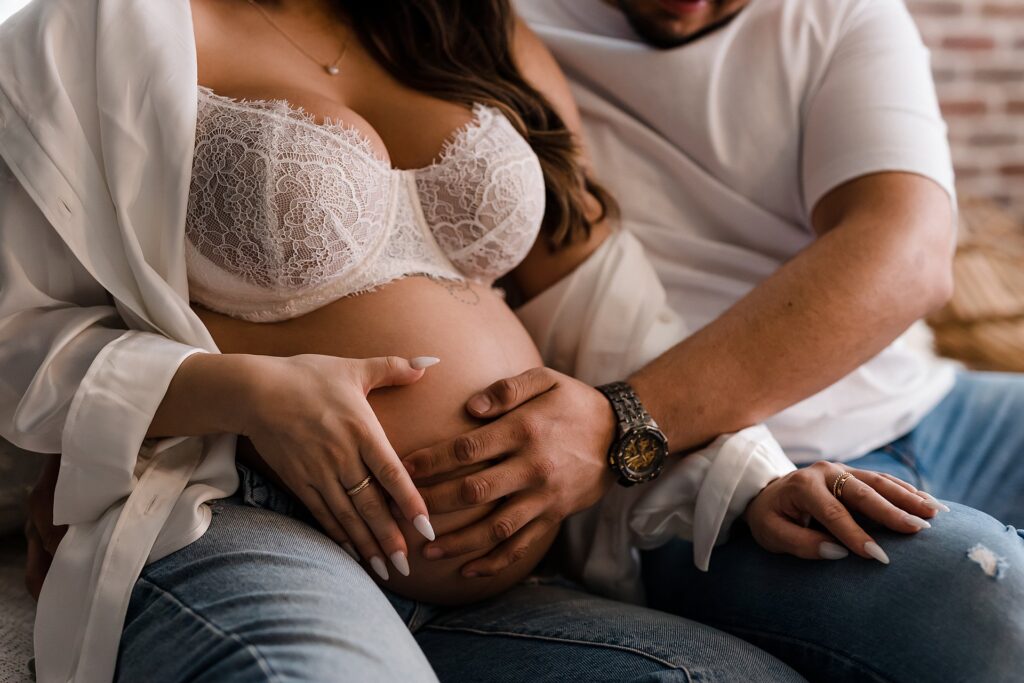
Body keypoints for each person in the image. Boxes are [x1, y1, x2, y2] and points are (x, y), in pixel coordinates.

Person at [379, 0, 1024, 680]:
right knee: (996, 607)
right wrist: (629, 436)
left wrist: (621, 420)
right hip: (718, 474)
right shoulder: (494, 26)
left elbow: (910, 253)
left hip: (930, 405)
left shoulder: (840, 15)